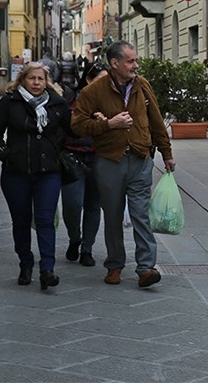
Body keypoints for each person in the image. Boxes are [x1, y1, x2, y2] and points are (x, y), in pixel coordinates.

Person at [71, 41, 175, 288]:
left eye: (135, 60)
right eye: (130, 61)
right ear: (115, 63)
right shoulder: (93, 92)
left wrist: (166, 153)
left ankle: (146, 268)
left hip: (140, 158)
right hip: (109, 161)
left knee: (141, 214)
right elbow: (77, 125)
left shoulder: (142, 85)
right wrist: (108, 125)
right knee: (114, 215)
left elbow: (156, 121)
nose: (135, 65)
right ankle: (115, 265)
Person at [0, 62, 71, 290]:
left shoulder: (58, 104)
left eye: (40, 79)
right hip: (16, 173)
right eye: (31, 78)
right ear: (22, 80)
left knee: (45, 221)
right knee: (21, 222)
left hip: (48, 173)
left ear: (46, 81)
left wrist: (57, 152)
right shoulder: (9, 102)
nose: (36, 83)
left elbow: (73, 130)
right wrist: (4, 154)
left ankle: (47, 270)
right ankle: (25, 263)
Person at [61, 62, 108, 268]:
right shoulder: (72, 98)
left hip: (99, 157)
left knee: (93, 204)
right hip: (73, 156)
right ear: (88, 80)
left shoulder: (111, 100)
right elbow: (64, 125)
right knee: (72, 204)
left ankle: (87, 248)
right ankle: (74, 238)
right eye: (100, 80)